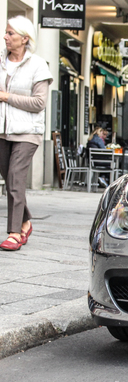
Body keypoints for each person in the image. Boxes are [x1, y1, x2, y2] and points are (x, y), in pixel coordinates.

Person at [0, 16, 53, 251]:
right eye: (6, 32)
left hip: (27, 132)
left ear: (24, 38)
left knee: (14, 178)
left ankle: (14, 233)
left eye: (10, 33)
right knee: (11, 181)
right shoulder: (0, 61)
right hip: (2, 130)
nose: (5, 37)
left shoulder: (38, 65)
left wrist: (6, 97)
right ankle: (25, 220)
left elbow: (39, 102)